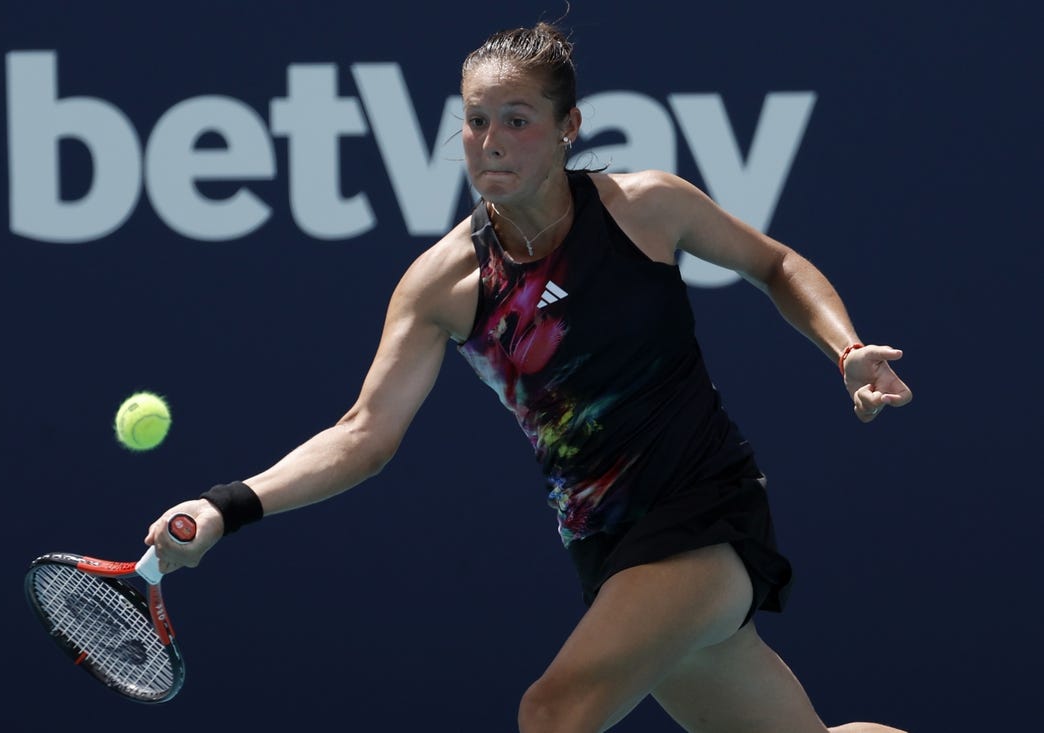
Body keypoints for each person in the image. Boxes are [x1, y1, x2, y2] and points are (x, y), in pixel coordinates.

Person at [146, 21, 913, 733]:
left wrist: (845, 350)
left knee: (550, 713)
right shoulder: (443, 282)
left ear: (567, 128)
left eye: (518, 118)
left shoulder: (644, 208)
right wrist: (226, 506)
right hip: (607, 551)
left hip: (704, 513)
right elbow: (363, 435)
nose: (492, 141)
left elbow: (773, 263)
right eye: (477, 121)